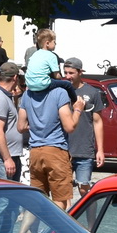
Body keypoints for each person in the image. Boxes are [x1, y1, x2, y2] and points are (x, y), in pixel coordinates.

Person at [24, 70, 83, 208]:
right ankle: (54, 230)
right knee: (60, 199)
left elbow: (21, 126)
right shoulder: (60, 93)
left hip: (35, 152)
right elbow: (69, 127)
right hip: (56, 150)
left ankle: (28, 230)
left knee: (38, 199)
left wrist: (36, 123)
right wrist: (78, 109)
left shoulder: (28, 94)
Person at [61, 58, 105, 194]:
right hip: (63, 149)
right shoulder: (61, 91)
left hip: (84, 149)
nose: (68, 76)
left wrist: (100, 149)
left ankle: (91, 216)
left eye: (71, 73)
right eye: (65, 72)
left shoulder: (92, 93)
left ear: (80, 72)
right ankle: (67, 216)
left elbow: (97, 122)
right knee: (64, 191)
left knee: (84, 190)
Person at [0, 62, 26, 182]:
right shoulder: (0, 98)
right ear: (15, 77)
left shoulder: (5, 97)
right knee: (1, 200)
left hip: (9, 156)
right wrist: (7, 158)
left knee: (10, 198)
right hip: (1, 159)